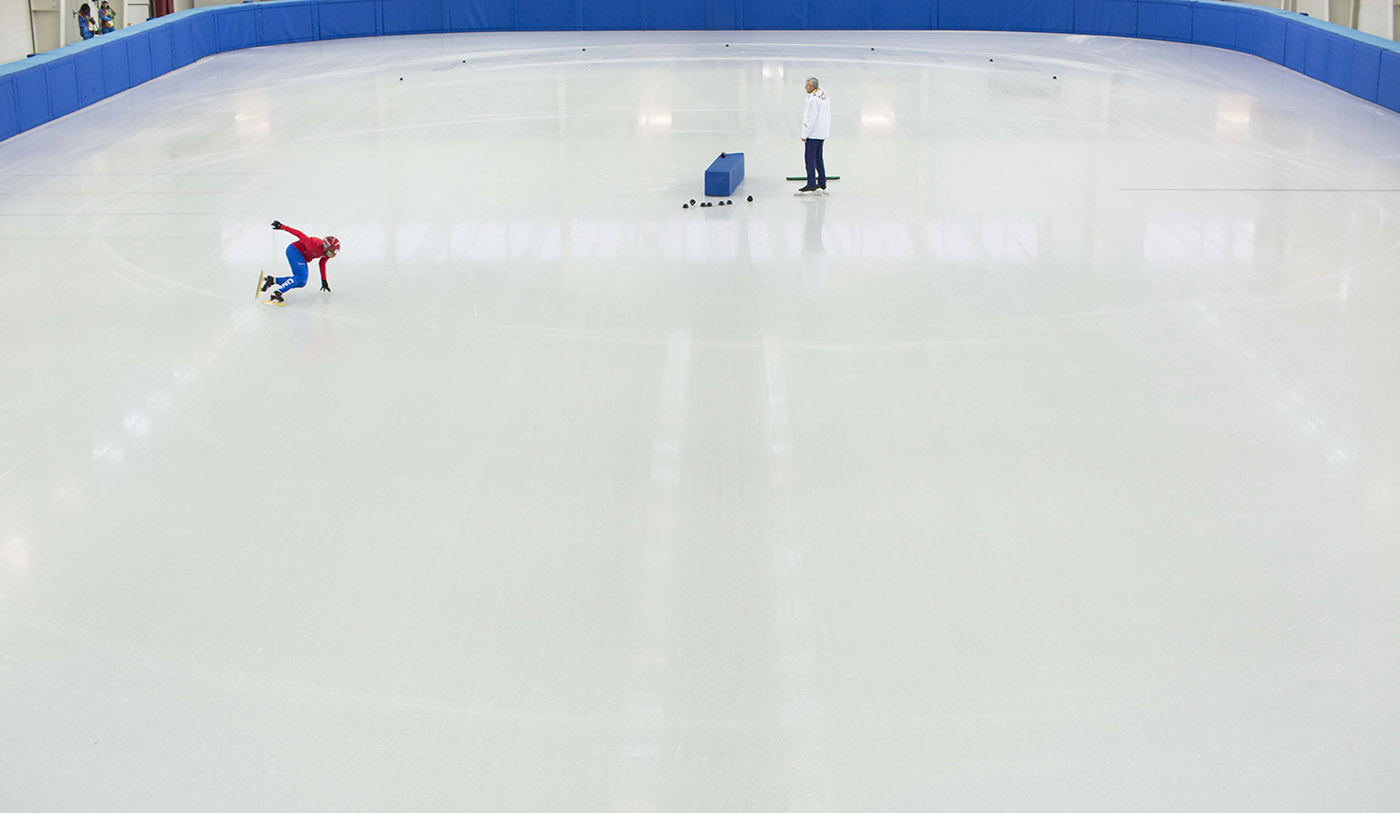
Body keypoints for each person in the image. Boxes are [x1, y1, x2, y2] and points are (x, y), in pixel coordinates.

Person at [261, 221, 338, 303]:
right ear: (325, 247)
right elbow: (300, 234)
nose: (332, 255)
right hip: (294, 250)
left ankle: (272, 280)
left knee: (302, 283)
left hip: (301, 256)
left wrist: (324, 280)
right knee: (301, 276)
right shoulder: (313, 244)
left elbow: (322, 264)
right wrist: (282, 226)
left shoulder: (327, 254)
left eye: (334, 253)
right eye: (330, 253)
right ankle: (277, 293)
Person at [797, 77, 831, 195]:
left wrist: (804, 134)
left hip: (813, 133)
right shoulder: (823, 95)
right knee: (818, 158)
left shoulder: (813, 100)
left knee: (809, 159)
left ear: (812, 87)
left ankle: (811, 183)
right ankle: (822, 181)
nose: (805, 88)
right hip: (822, 132)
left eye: (806, 86)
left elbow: (810, 118)